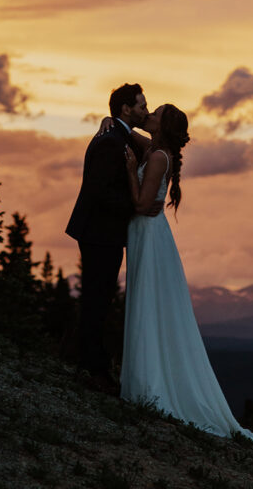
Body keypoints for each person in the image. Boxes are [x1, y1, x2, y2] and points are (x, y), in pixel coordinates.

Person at [120, 103, 253, 454]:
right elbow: (131, 135)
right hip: (150, 235)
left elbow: (141, 203)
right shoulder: (158, 150)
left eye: (155, 114)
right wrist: (114, 123)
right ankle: (145, 383)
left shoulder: (157, 156)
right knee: (149, 305)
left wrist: (132, 171)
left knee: (148, 305)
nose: (149, 115)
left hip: (148, 234)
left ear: (162, 127)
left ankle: (149, 388)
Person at [65, 82, 150, 393]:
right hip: (100, 232)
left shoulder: (118, 135)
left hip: (105, 233)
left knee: (99, 299)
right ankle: (91, 368)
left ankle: (93, 364)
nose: (146, 110)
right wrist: (137, 206)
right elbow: (99, 193)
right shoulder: (109, 143)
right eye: (142, 105)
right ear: (126, 108)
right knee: (96, 300)